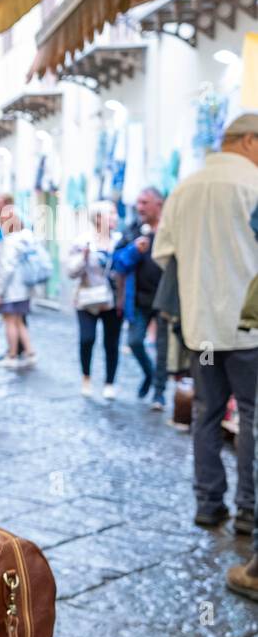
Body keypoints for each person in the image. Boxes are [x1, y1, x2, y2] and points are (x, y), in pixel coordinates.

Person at [155, 114, 258, 562]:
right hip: (248, 326)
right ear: (250, 141)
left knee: (206, 413)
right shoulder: (252, 184)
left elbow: (165, 256)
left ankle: (208, 504)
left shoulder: (185, 187)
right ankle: (249, 512)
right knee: (253, 417)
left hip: (202, 328)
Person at [112, 187, 168, 407]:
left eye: (145, 202)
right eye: (138, 202)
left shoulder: (169, 230)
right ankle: (149, 373)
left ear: (158, 204)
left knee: (163, 350)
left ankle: (159, 393)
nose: (140, 207)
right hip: (138, 299)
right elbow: (118, 263)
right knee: (135, 342)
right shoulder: (133, 230)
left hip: (164, 299)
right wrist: (134, 250)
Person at [66, 201, 122, 399]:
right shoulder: (82, 241)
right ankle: (86, 378)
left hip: (112, 300)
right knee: (87, 339)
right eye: (111, 214)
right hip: (86, 299)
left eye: (115, 214)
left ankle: (109, 382)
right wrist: (84, 257)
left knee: (111, 343)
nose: (115, 217)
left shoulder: (120, 241)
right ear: (98, 218)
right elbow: (71, 272)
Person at [0, 213, 43, 368]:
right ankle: (30, 352)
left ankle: (12, 355)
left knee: (10, 322)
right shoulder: (27, 239)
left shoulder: (10, 242)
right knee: (19, 321)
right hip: (24, 289)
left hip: (11, 290)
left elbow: (6, 269)